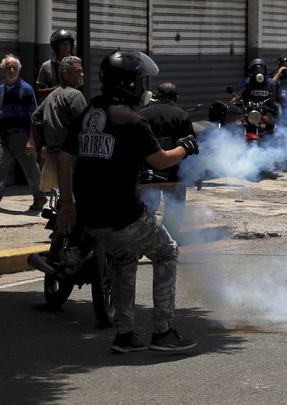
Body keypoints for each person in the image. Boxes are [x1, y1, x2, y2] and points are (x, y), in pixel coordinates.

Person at [56, 50, 201, 353]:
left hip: (89, 213)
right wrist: (185, 147)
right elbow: (161, 161)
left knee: (124, 260)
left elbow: (66, 155)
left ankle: (125, 335)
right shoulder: (131, 120)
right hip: (123, 213)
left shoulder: (91, 112)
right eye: (138, 79)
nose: (141, 85)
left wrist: (67, 203)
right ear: (128, 83)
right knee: (167, 253)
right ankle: (163, 331)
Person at [0, 55, 42, 213]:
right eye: (8, 67)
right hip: (3, 136)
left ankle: (39, 197)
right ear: (3, 70)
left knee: (31, 169)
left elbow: (34, 116)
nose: (12, 70)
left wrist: (32, 139)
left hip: (22, 136)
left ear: (19, 69)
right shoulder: (0, 90)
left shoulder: (26, 89)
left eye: (14, 67)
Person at [140, 82, 197, 239]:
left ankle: (144, 244)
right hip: (175, 175)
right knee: (174, 212)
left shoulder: (144, 114)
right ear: (176, 97)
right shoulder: (182, 115)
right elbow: (190, 147)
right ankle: (167, 243)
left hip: (148, 174)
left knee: (147, 211)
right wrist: (196, 174)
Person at [31, 56, 87, 205]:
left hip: (55, 154)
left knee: (63, 193)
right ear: (65, 73)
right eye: (77, 71)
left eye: (82, 71)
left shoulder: (52, 95)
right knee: (76, 196)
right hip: (72, 156)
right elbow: (85, 126)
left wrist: (43, 144)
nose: (82, 74)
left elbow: (36, 117)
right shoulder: (76, 95)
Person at [36, 28, 76, 101]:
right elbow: (38, 92)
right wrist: (54, 89)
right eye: (63, 44)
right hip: (53, 105)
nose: (66, 47)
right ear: (56, 46)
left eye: (68, 44)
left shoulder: (76, 65)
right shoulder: (46, 66)